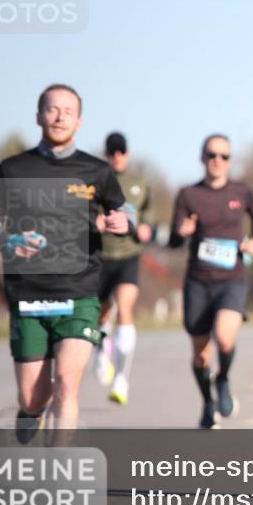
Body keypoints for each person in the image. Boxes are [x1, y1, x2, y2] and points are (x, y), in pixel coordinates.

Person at [0, 84, 130, 442]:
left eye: (68, 111)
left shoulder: (97, 171)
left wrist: (123, 223)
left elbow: (123, 213)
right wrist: (8, 240)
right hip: (28, 292)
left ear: (79, 121)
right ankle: (31, 410)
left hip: (79, 291)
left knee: (67, 384)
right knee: (33, 396)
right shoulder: (13, 168)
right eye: (52, 109)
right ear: (38, 115)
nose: (60, 117)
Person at [169, 134, 253, 429]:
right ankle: (208, 403)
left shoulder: (242, 191)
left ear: (230, 160)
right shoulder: (188, 194)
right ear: (202, 158)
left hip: (231, 280)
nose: (217, 160)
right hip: (199, 281)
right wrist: (182, 232)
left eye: (223, 156)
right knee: (200, 355)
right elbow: (173, 240)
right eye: (212, 155)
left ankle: (222, 379)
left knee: (224, 337)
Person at [91, 132, 154, 405]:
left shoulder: (139, 183)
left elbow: (149, 218)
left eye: (121, 151)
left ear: (127, 154)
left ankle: (121, 380)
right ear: (106, 154)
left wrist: (146, 229)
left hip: (129, 256)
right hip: (100, 256)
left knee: (125, 309)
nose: (117, 156)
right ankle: (101, 351)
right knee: (102, 315)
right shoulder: (95, 180)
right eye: (112, 152)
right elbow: (85, 212)